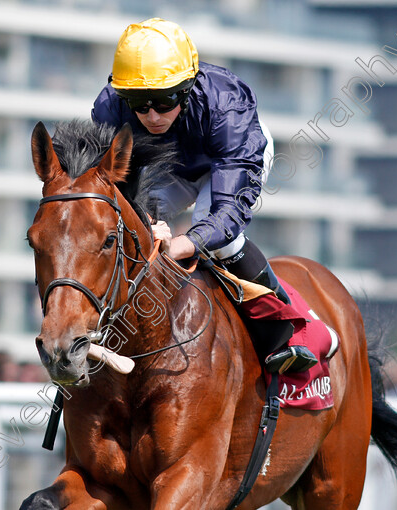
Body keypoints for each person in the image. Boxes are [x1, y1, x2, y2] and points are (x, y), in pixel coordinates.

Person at [91, 17, 316, 373]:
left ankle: (282, 333)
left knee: (214, 237)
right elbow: (115, 187)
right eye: (139, 102)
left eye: (164, 102)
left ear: (186, 87)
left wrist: (185, 244)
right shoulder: (110, 107)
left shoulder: (227, 105)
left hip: (227, 162)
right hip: (173, 167)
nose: (151, 115)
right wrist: (146, 221)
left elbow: (228, 211)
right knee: (128, 228)